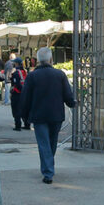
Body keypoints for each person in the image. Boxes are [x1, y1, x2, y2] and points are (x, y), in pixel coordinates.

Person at [20, 47, 75, 184]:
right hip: (56, 114)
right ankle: (49, 167)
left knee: (43, 143)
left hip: (39, 115)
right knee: (52, 142)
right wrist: (72, 103)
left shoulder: (32, 76)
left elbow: (26, 97)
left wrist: (24, 115)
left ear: (38, 60)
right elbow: (67, 94)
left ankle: (48, 171)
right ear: (51, 59)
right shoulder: (60, 75)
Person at [8, 61, 29, 130]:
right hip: (25, 93)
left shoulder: (16, 73)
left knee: (16, 109)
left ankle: (18, 125)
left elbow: (16, 84)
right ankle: (27, 124)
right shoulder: (25, 72)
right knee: (24, 109)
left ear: (16, 64)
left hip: (17, 93)